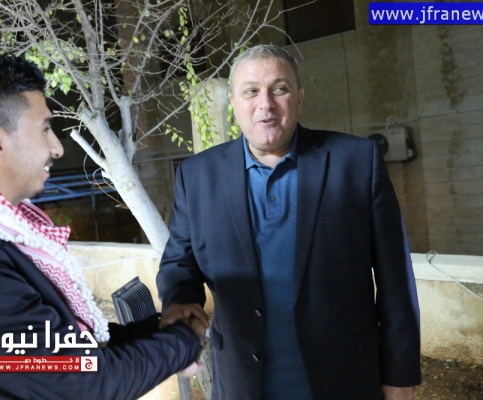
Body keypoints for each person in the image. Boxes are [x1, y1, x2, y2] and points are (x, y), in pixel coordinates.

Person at [157, 44, 421, 399]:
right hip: (242, 383)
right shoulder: (197, 176)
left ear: (299, 97)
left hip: (345, 379)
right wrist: (180, 304)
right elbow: (179, 263)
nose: (265, 103)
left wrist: (400, 377)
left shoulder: (356, 162)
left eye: (279, 89)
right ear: (234, 103)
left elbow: (395, 278)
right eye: (251, 91)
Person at [0, 53, 204, 399]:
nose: (56, 148)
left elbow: (65, 347)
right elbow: (79, 381)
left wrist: (159, 330)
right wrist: (184, 341)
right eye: (45, 128)